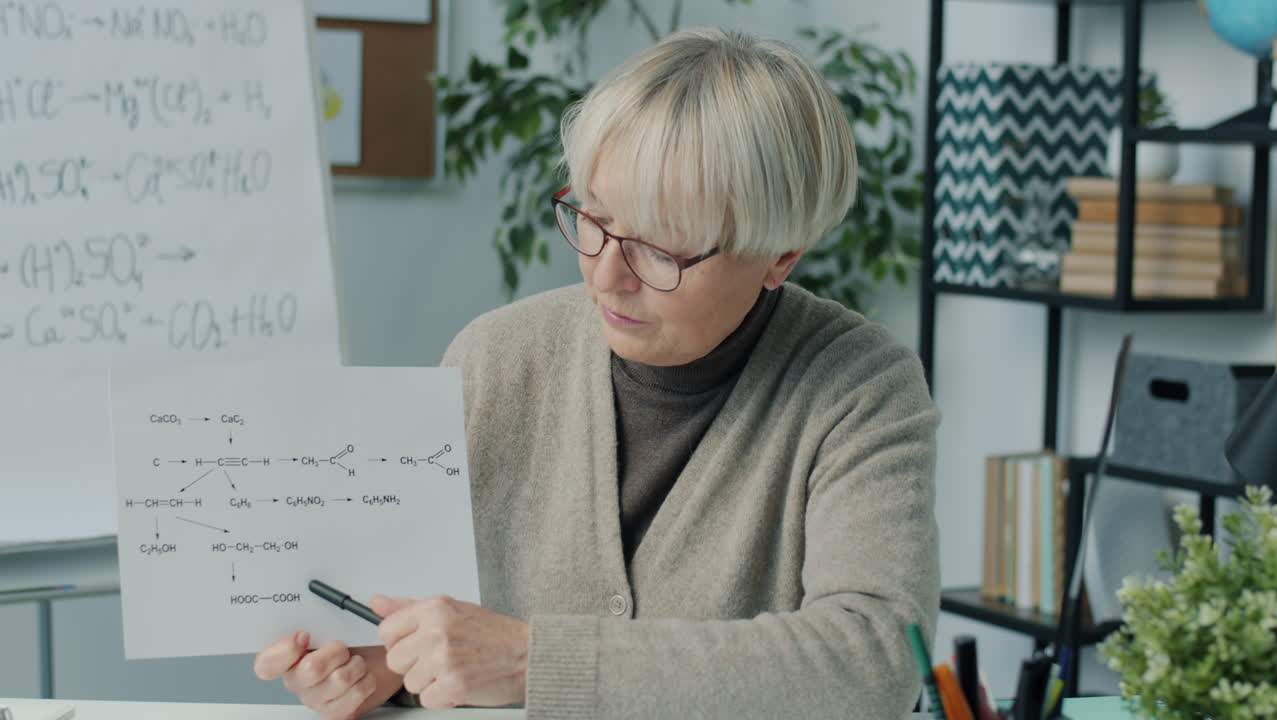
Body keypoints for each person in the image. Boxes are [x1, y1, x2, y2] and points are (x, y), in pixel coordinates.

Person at [254, 27, 940, 720]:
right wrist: (383, 670)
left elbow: (875, 661)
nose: (606, 277)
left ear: (780, 256)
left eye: (658, 249)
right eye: (594, 220)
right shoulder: (493, 360)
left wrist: (535, 662)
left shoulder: (859, 387)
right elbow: (426, 636)